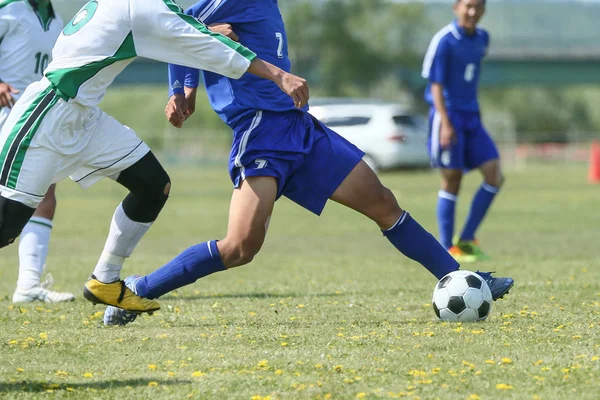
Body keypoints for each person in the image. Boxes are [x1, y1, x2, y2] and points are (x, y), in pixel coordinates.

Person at [104, 0, 513, 326]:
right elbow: (177, 29)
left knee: (384, 203)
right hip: (261, 131)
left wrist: (208, 50)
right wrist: (185, 88)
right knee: (241, 247)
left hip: (301, 129)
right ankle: (139, 289)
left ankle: (467, 280)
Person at [0, 0, 308, 315]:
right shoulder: (143, 6)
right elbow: (207, 46)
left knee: (153, 185)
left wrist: (202, 37)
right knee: (6, 227)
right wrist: (278, 75)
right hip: (48, 116)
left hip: (85, 118)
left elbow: (178, 37)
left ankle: (105, 280)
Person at [0, 0, 73, 303]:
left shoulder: (57, 20)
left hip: (34, 119)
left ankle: (28, 285)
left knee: (45, 194)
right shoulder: (8, 8)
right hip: (4, 115)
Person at [422, 0, 501, 263]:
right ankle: (446, 249)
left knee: (494, 174)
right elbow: (435, 85)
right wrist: (445, 122)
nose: (472, 11)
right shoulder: (444, 40)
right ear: (455, 7)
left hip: (472, 116)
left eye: (478, 6)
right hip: (448, 115)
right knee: (452, 179)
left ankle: (466, 239)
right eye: (467, 5)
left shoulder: (482, 38)